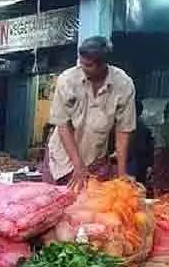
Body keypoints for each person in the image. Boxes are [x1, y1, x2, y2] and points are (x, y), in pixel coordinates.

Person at [45, 36, 136, 188]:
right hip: (62, 157)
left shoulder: (123, 84)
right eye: (81, 62)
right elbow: (62, 125)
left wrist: (121, 174)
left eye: (87, 65)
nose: (82, 68)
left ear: (103, 64)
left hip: (96, 159)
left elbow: (123, 130)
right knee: (57, 204)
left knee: (92, 205)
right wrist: (78, 165)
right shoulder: (67, 80)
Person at [128, 100, 155, 187]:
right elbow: (150, 148)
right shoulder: (145, 129)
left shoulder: (127, 127)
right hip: (140, 167)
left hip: (132, 165)